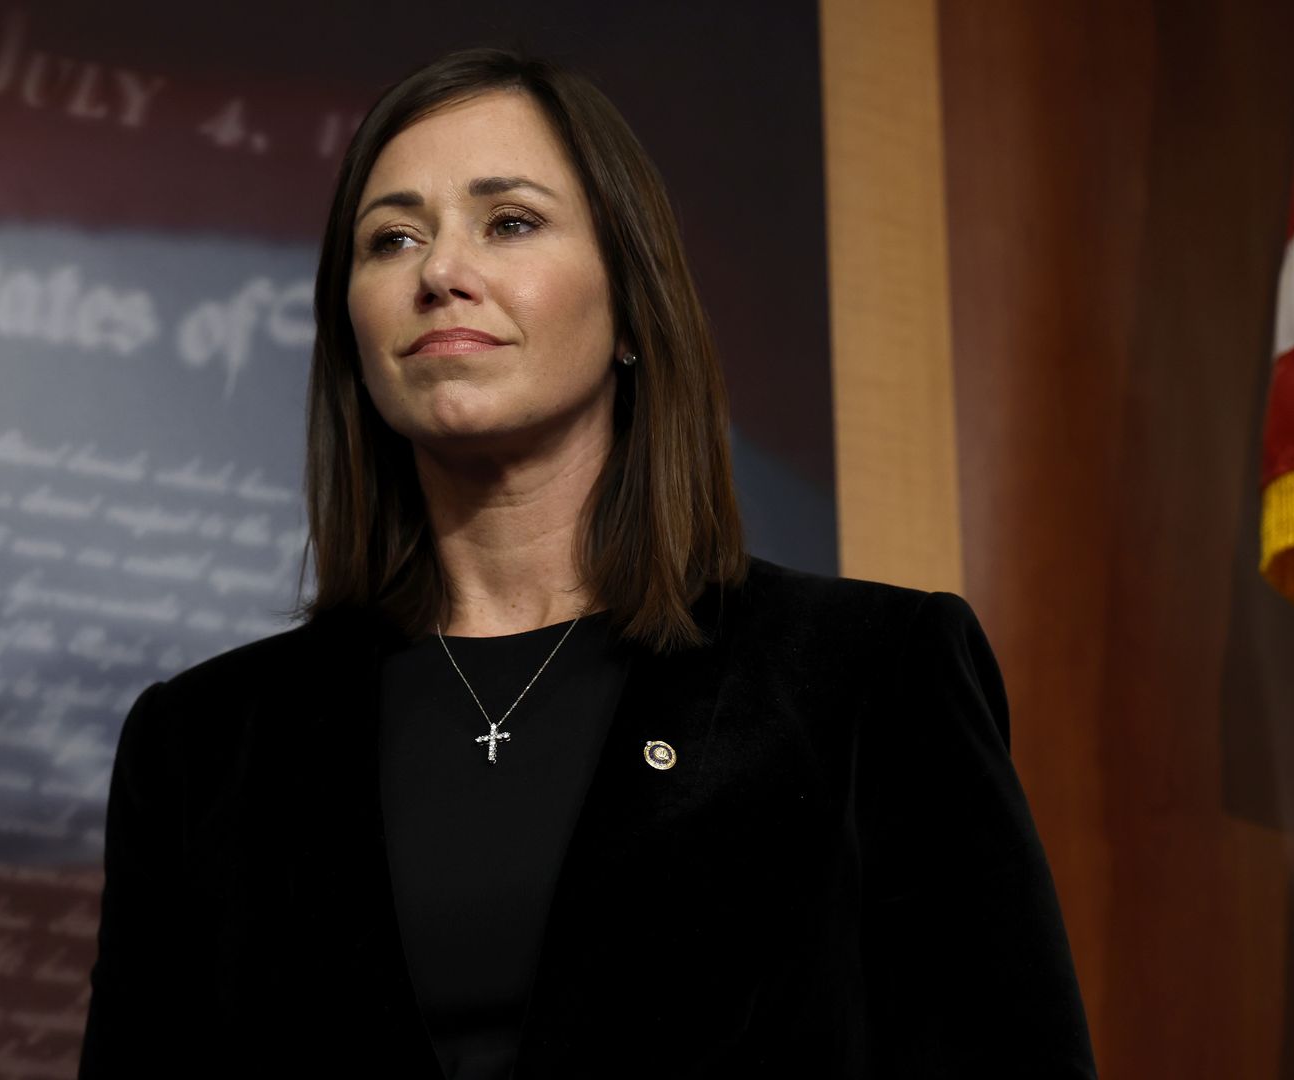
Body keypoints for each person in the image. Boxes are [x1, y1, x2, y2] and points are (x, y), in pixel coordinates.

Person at [77, 46, 1094, 1079]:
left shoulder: (874, 675)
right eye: (392, 239)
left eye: (508, 222)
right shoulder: (200, 748)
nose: (439, 272)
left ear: (630, 308)